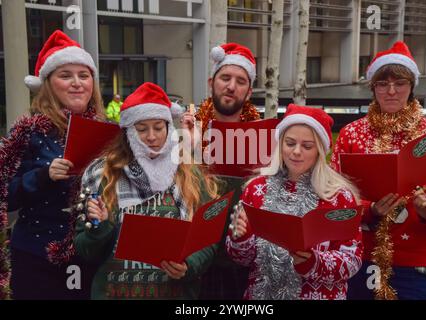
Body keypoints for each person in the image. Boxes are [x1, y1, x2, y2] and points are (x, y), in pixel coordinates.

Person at [74, 82, 220, 300]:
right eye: (141, 129)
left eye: (159, 127)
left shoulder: (189, 173)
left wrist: (189, 265)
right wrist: (99, 228)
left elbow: (208, 239)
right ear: (128, 133)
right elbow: (85, 251)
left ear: (170, 128)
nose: (151, 137)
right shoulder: (101, 175)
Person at [331, 41, 426, 300]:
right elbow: (334, 197)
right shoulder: (351, 134)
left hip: (417, 263)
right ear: (373, 89)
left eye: (400, 83)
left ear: (412, 87)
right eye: (382, 84)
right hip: (361, 257)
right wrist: (369, 210)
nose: (392, 91)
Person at [0, 30, 105, 299]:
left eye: (84, 75)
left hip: (90, 254)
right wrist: (43, 175)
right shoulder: (27, 132)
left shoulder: (107, 132)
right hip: (37, 258)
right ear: (47, 83)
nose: (77, 83)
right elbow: (5, 196)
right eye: (65, 75)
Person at [226, 104, 363, 300]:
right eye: (290, 143)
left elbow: (352, 259)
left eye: (307, 146)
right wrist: (241, 238)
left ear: (320, 150)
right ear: (280, 144)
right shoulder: (256, 189)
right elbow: (241, 259)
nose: (296, 151)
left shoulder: (340, 197)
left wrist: (313, 262)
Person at [180, 43, 261, 299]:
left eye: (240, 81)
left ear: (248, 92)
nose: (231, 86)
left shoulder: (264, 136)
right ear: (211, 82)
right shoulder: (188, 128)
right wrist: (187, 149)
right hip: (195, 256)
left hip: (242, 256)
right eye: (225, 78)